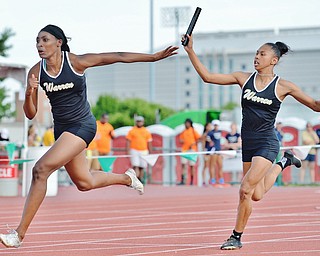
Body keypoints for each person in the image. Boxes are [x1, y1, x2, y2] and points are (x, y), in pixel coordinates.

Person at [0, 24, 178, 248]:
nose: (39, 45)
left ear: (59, 43)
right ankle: (127, 178)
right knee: (84, 183)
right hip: (62, 130)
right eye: (37, 41)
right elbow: (31, 113)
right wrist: (29, 93)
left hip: (83, 125)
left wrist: (152, 57)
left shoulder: (75, 62)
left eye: (45, 40)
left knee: (40, 170)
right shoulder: (36, 72)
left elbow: (116, 56)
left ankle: (18, 234)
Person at [183, 34, 320, 250]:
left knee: (245, 189)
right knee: (255, 195)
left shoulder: (284, 86)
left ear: (273, 60)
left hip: (267, 142)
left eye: (262, 54)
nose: (256, 57)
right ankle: (285, 162)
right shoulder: (242, 78)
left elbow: (314, 104)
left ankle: (236, 236)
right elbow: (208, 77)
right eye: (256, 53)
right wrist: (190, 50)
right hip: (248, 143)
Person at [126, 116, 152, 183]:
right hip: (134, 150)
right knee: (135, 165)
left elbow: (149, 141)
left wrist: (150, 151)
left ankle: (140, 178)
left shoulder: (146, 131)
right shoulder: (132, 130)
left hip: (144, 150)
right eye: (138, 121)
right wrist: (128, 150)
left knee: (142, 166)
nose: (139, 123)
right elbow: (128, 141)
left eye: (140, 121)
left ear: (143, 122)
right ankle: (136, 179)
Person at [178, 118, 201, 185]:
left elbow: (199, 139)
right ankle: (183, 180)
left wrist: (193, 144)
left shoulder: (193, 131)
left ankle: (192, 181)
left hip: (192, 150)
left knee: (192, 166)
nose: (186, 124)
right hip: (185, 150)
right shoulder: (183, 131)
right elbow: (180, 139)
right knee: (183, 165)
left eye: (187, 123)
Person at [207, 120, 224, 186]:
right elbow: (208, 139)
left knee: (220, 165)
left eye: (217, 125)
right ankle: (212, 179)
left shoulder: (220, 132)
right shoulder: (210, 132)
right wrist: (211, 142)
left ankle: (221, 178)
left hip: (219, 150)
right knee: (212, 165)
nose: (216, 126)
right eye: (215, 125)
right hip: (213, 150)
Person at [200, 122, 213, 186]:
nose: (210, 127)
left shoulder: (211, 134)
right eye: (209, 126)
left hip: (211, 151)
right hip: (206, 152)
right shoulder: (205, 134)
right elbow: (203, 144)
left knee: (211, 166)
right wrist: (204, 153)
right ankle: (204, 180)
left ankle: (211, 180)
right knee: (206, 166)